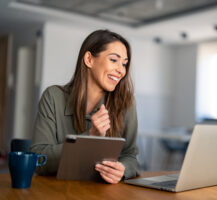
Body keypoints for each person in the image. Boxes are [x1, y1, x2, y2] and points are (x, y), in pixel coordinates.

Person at [30, 29, 140, 184]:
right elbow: (38, 160)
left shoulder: (126, 102)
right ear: (89, 59)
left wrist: (122, 169)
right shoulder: (53, 97)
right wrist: (90, 137)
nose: (121, 70)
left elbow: (131, 156)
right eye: (114, 60)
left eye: (124, 63)